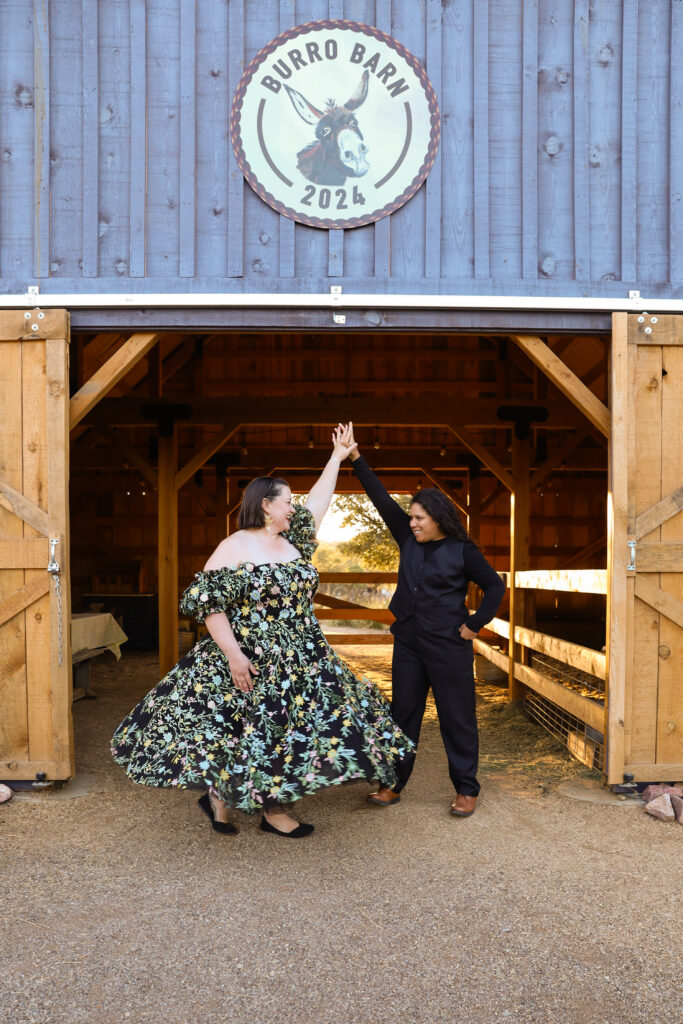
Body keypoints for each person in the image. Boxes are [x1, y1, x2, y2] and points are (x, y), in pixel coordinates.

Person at [111, 425, 412, 838]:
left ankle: (265, 808)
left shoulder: (295, 540)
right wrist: (235, 655)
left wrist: (337, 458)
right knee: (245, 730)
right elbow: (208, 605)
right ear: (266, 505)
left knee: (296, 728)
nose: (295, 508)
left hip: (302, 654)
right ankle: (236, 802)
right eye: (288, 502)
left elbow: (319, 503)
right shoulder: (235, 546)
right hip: (249, 654)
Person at [347, 425, 505, 818]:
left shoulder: (463, 551)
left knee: (457, 717)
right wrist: (356, 459)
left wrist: (475, 624)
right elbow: (381, 499)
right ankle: (392, 784)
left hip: (449, 645)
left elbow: (495, 586)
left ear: (436, 517)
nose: (413, 522)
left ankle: (466, 789)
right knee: (402, 715)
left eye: (419, 517)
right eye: (412, 517)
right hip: (410, 643)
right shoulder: (405, 537)